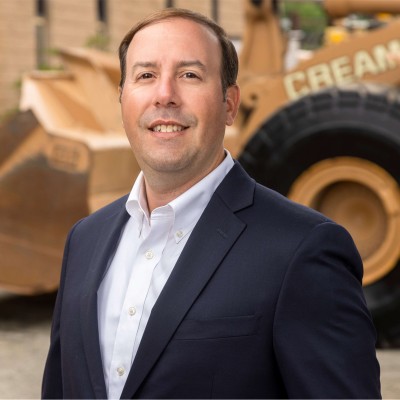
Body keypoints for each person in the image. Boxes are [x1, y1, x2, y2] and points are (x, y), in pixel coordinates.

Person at [42, 7, 381, 399]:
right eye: (146, 75)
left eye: (189, 75)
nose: (164, 95)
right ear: (122, 99)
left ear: (230, 104)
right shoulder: (84, 240)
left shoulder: (302, 250)